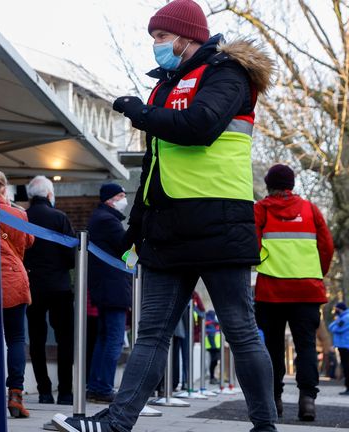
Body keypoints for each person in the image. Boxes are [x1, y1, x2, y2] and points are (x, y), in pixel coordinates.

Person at [53, 1, 278, 431]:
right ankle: (116, 423)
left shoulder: (227, 73)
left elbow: (200, 126)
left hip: (219, 224)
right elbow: (156, 167)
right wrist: (133, 230)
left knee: (240, 331)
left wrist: (139, 111)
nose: (156, 45)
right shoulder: (165, 86)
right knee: (151, 333)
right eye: (154, 37)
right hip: (168, 228)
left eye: (161, 37)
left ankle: (264, 425)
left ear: (186, 36)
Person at [253, 163, 334, 420]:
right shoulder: (310, 210)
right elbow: (327, 246)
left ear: (268, 185)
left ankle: (274, 399)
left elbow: (250, 245)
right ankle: (307, 400)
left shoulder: (261, 210)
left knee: (273, 348)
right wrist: (316, 273)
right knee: (306, 346)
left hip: (271, 293)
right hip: (307, 292)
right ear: (292, 185)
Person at [0, 169, 35, 418]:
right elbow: (29, 241)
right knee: (15, 338)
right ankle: (16, 394)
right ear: (4, 188)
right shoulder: (17, 213)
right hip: (13, 279)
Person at [23, 176, 76, 405]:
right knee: (65, 339)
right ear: (49, 194)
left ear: (30, 195)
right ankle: (65, 392)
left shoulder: (22, 217)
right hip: (59, 287)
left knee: (36, 340)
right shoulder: (60, 218)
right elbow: (72, 256)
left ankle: (44, 391)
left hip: (32, 285)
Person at [86, 183, 132, 403]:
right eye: (121, 196)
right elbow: (127, 252)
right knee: (113, 339)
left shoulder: (99, 218)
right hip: (113, 288)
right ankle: (103, 387)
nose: (124, 200)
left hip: (104, 287)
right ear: (110, 199)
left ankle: (96, 385)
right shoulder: (108, 221)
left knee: (104, 338)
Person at [329, 302, 349, 396]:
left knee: (347, 367)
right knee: (345, 367)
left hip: (346, 346)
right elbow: (331, 327)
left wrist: (336, 322)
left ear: (340, 309)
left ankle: (348, 388)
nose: (335, 311)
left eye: (336, 309)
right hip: (342, 346)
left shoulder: (346, 318)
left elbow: (336, 329)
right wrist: (337, 322)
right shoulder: (341, 318)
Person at [205, 310, 222, 384]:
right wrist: (215, 346)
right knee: (214, 361)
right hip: (213, 347)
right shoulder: (210, 322)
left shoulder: (213, 322)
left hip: (215, 346)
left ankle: (213, 377)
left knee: (214, 362)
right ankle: (212, 378)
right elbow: (211, 335)